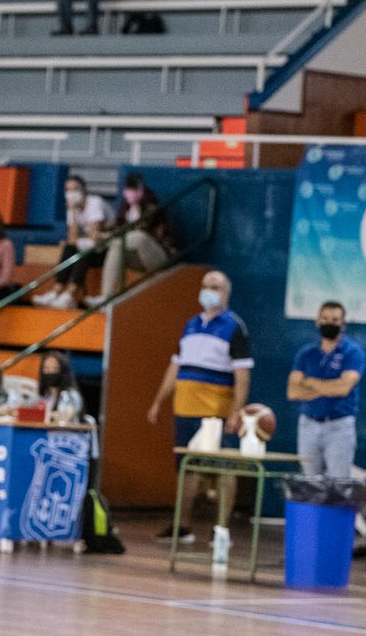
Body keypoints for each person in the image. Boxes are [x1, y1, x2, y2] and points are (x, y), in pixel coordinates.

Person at [146, 270, 252, 546]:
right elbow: (176, 366)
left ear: (225, 293)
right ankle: (182, 526)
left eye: (214, 286)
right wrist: (159, 400)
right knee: (186, 467)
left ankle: (221, 531)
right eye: (205, 285)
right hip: (185, 407)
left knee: (224, 467)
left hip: (215, 409)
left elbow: (242, 374)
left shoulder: (234, 327)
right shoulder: (190, 325)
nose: (208, 291)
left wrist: (236, 411)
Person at [287, 301, 365, 479]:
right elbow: (293, 392)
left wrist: (308, 381)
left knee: (338, 482)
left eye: (335, 320)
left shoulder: (352, 352)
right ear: (317, 321)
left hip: (339, 425)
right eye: (325, 318)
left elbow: (343, 388)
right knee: (310, 481)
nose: (329, 323)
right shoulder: (306, 353)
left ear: (343, 324)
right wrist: (329, 387)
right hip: (308, 424)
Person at [37, 175, 110, 309]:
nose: (71, 193)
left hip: (108, 247)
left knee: (83, 250)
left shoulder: (95, 202)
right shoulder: (71, 208)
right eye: (68, 190)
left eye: (75, 189)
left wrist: (79, 239)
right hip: (90, 247)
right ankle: (56, 291)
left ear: (83, 190)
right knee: (69, 247)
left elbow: (95, 234)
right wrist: (72, 211)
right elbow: (72, 238)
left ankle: (70, 294)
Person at [98, 172, 171, 300]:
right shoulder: (126, 207)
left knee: (137, 237)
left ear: (140, 190)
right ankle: (106, 297)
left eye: (134, 189)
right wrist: (105, 233)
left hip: (157, 255)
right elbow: (117, 227)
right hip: (138, 258)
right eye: (128, 189)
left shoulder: (150, 204)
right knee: (116, 247)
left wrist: (113, 236)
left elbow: (144, 230)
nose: (130, 193)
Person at [38, 350, 84, 424]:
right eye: (46, 368)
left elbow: (65, 418)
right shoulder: (45, 396)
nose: (50, 372)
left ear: (63, 371)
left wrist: (46, 415)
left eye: (55, 368)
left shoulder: (70, 395)